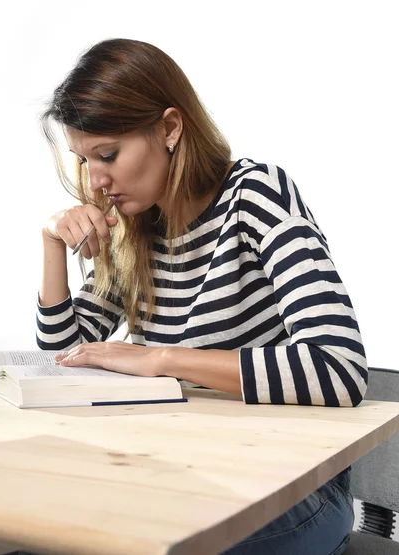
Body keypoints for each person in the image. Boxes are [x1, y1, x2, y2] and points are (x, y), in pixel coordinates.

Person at [37, 38, 365, 554]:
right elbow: (64, 352)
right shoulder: (134, 229)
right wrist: (52, 243)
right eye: (85, 161)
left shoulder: (255, 195)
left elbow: (337, 370)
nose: (97, 183)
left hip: (294, 489)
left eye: (108, 155)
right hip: (183, 474)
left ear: (169, 128)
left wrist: (160, 359)